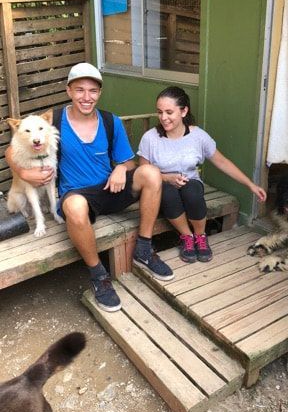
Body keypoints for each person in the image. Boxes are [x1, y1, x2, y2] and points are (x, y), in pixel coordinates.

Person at [5, 63, 174, 313]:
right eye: (80, 90)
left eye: (93, 91)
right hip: (78, 195)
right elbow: (12, 148)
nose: (86, 97)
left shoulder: (110, 121)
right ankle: (98, 275)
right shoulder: (55, 120)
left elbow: (129, 161)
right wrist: (22, 171)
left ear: (99, 93)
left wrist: (120, 169)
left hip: (109, 188)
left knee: (150, 172)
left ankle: (144, 248)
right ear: (69, 91)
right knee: (74, 204)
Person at [137, 86, 267, 263]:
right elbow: (143, 173)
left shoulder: (198, 136)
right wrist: (167, 178)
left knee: (191, 191)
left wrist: (250, 184)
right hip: (161, 186)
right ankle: (187, 237)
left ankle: (200, 236)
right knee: (168, 193)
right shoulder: (150, 138)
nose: (163, 118)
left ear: (184, 111)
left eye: (169, 112)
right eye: (159, 112)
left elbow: (222, 162)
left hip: (190, 182)